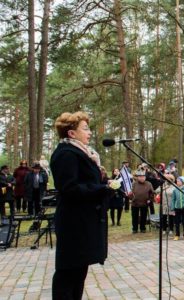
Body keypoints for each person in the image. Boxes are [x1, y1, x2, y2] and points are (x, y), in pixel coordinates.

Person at [50, 111, 116, 299]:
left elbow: (86, 182)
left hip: (84, 221)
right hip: (73, 223)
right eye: (85, 129)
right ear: (71, 133)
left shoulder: (83, 153)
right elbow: (69, 188)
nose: (89, 132)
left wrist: (104, 186)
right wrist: (100, 189)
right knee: (68, 273)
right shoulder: (65, 154)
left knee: (79, 272)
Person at [171, 176, 184, 240]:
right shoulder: (175, 190)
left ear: (182, 182)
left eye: (179, 181)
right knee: (177, 222)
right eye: (177, 181)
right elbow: (173, 200)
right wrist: (173, 209)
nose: (177, 182)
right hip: (177, 208)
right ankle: (177, 235)